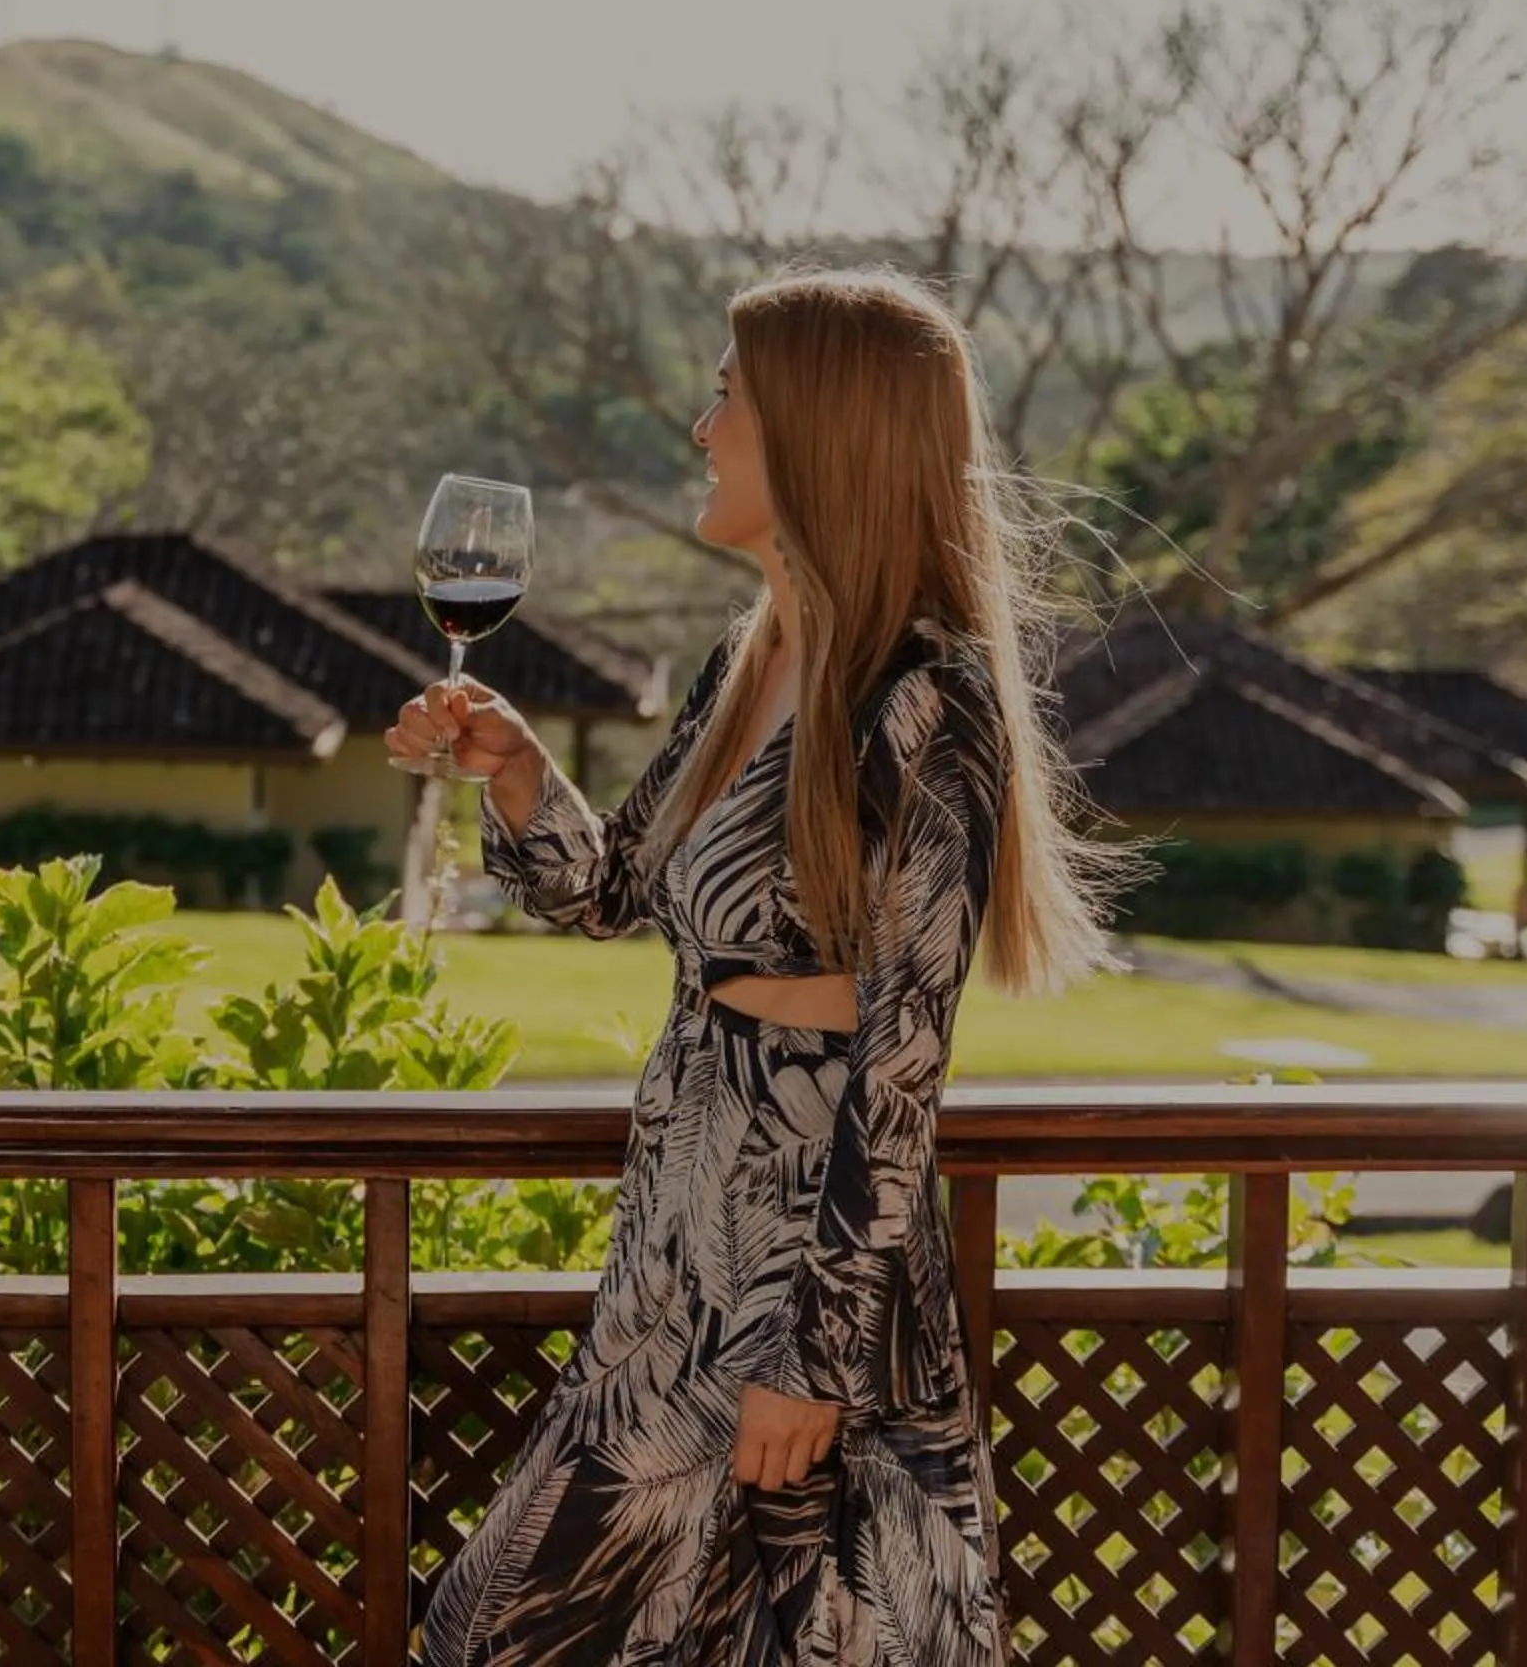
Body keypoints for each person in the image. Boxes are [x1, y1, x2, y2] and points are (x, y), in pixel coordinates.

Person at [388, 268, 1123, 1665]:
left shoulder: (926, 701)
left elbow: (904, 1059)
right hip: (680, 1220)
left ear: (817, 429)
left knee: (529, 1631)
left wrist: (817, 1355)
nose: (700, 426)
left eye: (728, 395)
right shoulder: (756, 652)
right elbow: (610, 895)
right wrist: (517, 770)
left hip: (802, 1261)